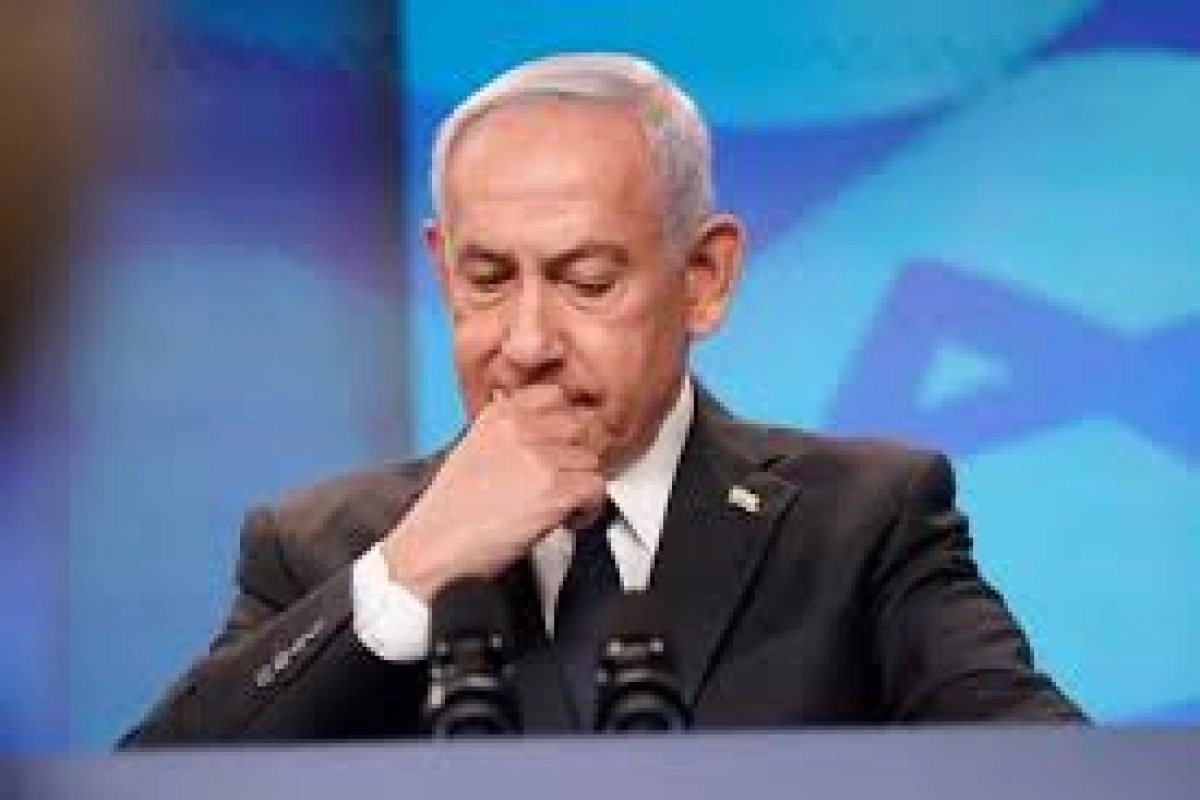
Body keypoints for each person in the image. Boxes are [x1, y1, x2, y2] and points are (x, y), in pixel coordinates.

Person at [122, 53, 1083, 745]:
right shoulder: (317, 549)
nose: (527, 343)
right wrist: (408, 575)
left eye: (586, 281)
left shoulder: (864, 524)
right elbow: (155, 782)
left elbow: (1056, 774)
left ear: (704, 277)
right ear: (441, 271)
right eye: (487, 279)